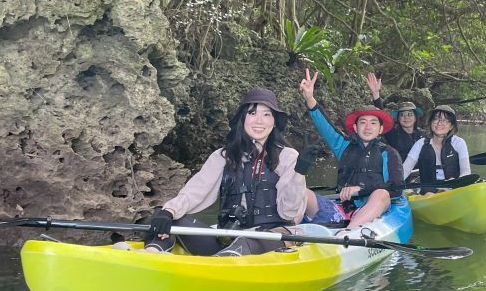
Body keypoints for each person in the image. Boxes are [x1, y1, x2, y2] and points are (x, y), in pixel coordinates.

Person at [136, 87, 312, 255]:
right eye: (252, 113)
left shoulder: (288, 156)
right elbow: (195, 191)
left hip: (271, 236)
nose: (259, 121)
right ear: (243, 119)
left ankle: (227, 263)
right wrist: (169, 212)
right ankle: (152, 252)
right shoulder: (223, 156)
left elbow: (289, 212)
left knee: (246, 243)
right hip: (228, 237)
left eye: (267, 115)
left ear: (274, 122)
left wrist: (300, 171)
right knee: (171, 218)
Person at [300, 69, 405, 228]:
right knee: (300, 191)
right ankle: (289, 234)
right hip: (341, 209)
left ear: (381, 129)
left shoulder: (389, 153)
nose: (368, 127)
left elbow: (396, 187)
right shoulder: (343, 147)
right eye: (363, 122)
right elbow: (325, 126)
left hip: (371, 210)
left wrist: (361, 189)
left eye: (373, 123)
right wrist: (309, 98)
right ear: (355, 128)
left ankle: (348, 234)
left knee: (381, 194)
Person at [400, 104, 471, 188]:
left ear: (451, 126)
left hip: (453, 188)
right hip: (427, 191)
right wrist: (395, 183)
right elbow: (406, 169)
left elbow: (466, 171)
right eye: (436, 119)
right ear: (431, 123)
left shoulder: (459, 143)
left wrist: (456, 185)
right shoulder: (420, 143)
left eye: (445, 120)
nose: (439, 123)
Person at [366, 72, 424, 161]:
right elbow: (382, 117)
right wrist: (376, 94)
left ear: (416, 117)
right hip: (401, 172)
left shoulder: (422, 135)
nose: (406, 118)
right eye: (402, 115)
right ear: (398, 118)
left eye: (410, 114)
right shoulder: (393, 134)